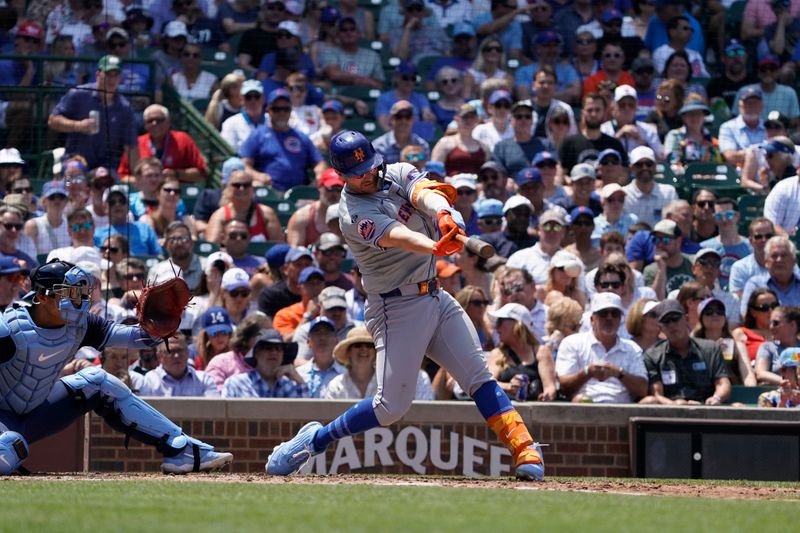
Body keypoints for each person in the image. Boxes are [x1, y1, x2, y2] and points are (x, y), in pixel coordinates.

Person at [265, 130, 545, 481]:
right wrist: (433, 245)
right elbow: (397, 235)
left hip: (435, 295)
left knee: (478, 376)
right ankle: (315, 440)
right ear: (342, 175)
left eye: (369, 167)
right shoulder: (351, 212)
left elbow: (425, 193)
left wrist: (444, 215)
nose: (367, 175)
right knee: (390, 408)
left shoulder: (396, 171)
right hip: (395, 307)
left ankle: (525, 450)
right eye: (357, 172)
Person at [0, 260, 232, 475]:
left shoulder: (81, 325)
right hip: (4, 419)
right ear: (42, 296)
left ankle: (183, 450)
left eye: (79, 293)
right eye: (68, 293)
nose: (77, 300)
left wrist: (155, 327)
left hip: (38, 411)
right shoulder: (9, 329)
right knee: (7, 448)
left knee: (97, 380)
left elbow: (134, 338)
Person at [48, 55, 139, 171]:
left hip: (106, 168)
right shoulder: (77, 95)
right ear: (98, 75)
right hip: (74, 160)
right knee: (69, 181)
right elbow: (53, 120)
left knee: (106, 181)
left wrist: (138, 175)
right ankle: (66, 186)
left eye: (115, 75)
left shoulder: (125, 108)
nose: (111, 80)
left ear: (120, 78)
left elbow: (131, 146)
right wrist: (78, 126)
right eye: (107, 75)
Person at [556, 293, 648, 403]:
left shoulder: (632, 348)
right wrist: (587, 372)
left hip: (623, 411)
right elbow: (564, 386)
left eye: (615, 314)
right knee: (580, 400)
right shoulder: (572, 343)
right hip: (583, 409)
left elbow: (643, 389)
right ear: (592, 319)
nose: (609, 318)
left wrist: (619, 373)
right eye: (603, 313)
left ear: (620, 320)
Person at [640, 299, 731, 406]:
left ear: (686, 319)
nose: (672, 325)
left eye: (675, 319)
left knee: (737, 406)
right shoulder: (653, 355)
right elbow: (657, 394)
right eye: (666, 321)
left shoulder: (711, 349)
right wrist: (677, 405)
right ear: (660, 327)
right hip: (670, 411)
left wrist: (716, 398)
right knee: (649, 401)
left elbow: (722, 383)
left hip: (706, 407)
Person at [240, 88, 327, 191]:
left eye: (286, 109)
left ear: (291, 111)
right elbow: (244, 164)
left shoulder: (301, 137)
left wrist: (319, 174)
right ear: (269, 110)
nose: (282, 113)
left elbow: (319, 162)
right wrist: (257, 176)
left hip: (298, 194)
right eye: (276, 109)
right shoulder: (258, 135)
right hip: (269, 192)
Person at [117, 104, 207, 183]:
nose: (154, 123)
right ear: (145, 125)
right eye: (150, 120)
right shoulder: (137, 143)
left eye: (159, 120)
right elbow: (122, 176)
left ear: (168, 122)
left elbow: (201, 173)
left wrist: (176, 174)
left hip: (174, 193)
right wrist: (144, 179)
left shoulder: (182, 139)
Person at [487, 303, 557, 402]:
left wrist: (547, 396)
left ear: (517, 324)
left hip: (534, 413)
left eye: (500, 321)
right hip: (505, 413)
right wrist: (510, 386)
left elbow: (550, 387)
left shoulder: (541, 352)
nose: (496, 328)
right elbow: (488, 384)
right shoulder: (497, 353)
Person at [204, 169, 284, 244]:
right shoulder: (219, 216)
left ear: (252, 188)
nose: (241, 189)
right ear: (228, 188)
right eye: (237, 185)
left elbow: (278, 245)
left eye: (246, 185)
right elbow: (212, 247)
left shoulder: (266, 214)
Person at [222, 329, 307, 398]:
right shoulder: (236, 384)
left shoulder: (290, 385)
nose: (274, 352)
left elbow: (307, 414)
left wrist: (298, 379)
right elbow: (223, 417)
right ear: (256, 354)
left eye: (278, 349)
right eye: (268, 348)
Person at [692, 297, 756, 387]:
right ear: (701, 318)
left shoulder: (737, 346)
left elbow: (748, 375)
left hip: (733, 393)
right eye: (709, 312)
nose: (715, 315)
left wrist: (750, 391)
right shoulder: (694, 345)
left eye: (720, 311)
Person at [558, 93, 627, 174]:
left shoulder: (614, 144)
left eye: (597, 110)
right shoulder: (569, 143)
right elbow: (561, 174)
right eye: (589, 110)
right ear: (583, 112)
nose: (593, 114)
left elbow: (624, 175)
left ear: (604, 112)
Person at [137, 333, 219, 397]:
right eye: (170, 351)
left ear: (187, 352)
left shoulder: (204, 380)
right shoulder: (149, 381)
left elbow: (216, 413)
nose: (176, 356)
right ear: (159, 356)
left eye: (180, 350)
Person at [204, 312, 268, 390]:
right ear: (247, 338)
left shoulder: (275, 363)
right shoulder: (221, 363)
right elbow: (215, 397)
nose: (270, 341)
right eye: (264, 336)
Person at [93, 185, 162, 257]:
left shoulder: (145, 229)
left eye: (122, 201)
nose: (117, 204)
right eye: (112, 202)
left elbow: (159, 256)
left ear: (129, 205)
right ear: (105, 207)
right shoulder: (97, 234)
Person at [740, 237, 800, 317]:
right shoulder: (755, 285)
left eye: (784, 255)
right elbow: (745, 315)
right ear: (766, 262)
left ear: (794, 261)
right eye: (774, 256)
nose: (779, 260)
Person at [506, 208, 567, 287]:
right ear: (539, 229)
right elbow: (509, 288)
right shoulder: (519, 259)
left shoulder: (571, 259)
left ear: (563, 232)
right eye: (547, 226)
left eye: (557, 227)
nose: (552, 231)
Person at [600, 85, 664, 158]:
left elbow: (660, 159)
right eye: (622, 105)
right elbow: (598, 154)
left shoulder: (648, 130)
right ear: (614, 106)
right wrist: (617, 137)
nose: (627, 108)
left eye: (631, 105)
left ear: (636, 107)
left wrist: (640, 141)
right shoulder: (604, 129)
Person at [492, 100, 553, 176]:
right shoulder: (501, 147)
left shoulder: (546, 145)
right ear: (511, 121)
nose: (523, 120)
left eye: (527, 117)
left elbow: (556, 166)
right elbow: (496, 173)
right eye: (519, 117)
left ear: (532, 121)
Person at [622, 146, 678, 227]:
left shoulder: (669, 192)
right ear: (631, 168)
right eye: (639, 164)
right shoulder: (623, 194)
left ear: (655, 166)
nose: (644, 168)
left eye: (649, 164)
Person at [664, 98, 723, 170]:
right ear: (684, 117)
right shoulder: (674, 136)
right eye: (690, 114)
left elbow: (717, 164)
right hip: (681, 177)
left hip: (708, 178)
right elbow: (671, 161)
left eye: (698, 114)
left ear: (704, 116)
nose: (695, 117)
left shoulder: (712, 141)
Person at [295, 317, 346, 398]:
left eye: (327, 333)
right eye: (317, 333)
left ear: (336, 341)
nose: (322, 338)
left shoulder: (345, 375)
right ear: (308, 342)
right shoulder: (298, 374)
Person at [431, 104, 489, 176]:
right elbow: (435, 173)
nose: (468, 121)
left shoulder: (484, 147)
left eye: (472, 117)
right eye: (465, 117)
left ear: (477, 120)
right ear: (456, 119)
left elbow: (488, 174)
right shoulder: (444, 143)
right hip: (452, 185)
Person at [643, 219, 693, 300]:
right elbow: (654, 302)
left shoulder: (694, 263)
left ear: (678, 241)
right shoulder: (650, 271)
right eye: (656, 240)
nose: (660, 244)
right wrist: (661, 269)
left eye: (665, 240)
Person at [717, 86, 767, 166]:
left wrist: (743, 153)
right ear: (739, 105)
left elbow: (777, 153)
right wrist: (763, 153)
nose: (752, 106)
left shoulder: (770, 127)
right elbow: (730, 156)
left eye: (755, 102)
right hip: (737, 175)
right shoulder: (727, 127)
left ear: (762, 105)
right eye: (748, 103)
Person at [730, 218, 777, 300]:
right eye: (758, 236)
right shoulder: (739, 267)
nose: (764, 240)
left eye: (768, 236)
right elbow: (737, 300)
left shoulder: (788, 266)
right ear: (751, 241)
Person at [372, 100, 431, 166]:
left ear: (413, 119)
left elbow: (425, 171)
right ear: (391, 119)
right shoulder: (378, 146)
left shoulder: (422, 145)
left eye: (407, 116)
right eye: (399, 116)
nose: (403, 120)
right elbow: (377, 173)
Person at [755, 305, 800, 386]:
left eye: (776, 323)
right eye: (770, 323)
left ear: (792, 325)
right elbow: (761, 373)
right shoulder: (767, 347)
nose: (771, 327)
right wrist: (787, 383)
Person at [733, 288, 779, 365]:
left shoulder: (788, 333)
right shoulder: (741, 333)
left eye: (774, 306)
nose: (771, 311)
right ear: (753, 312)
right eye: (764, 308)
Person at [23, 181, 70, 256]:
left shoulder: (71, 224)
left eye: (61, 197)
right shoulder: (33, 226)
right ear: (44, 201)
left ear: (66, 201)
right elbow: (27, 256)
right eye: (52, 197)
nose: (57, 200)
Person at [220, 79, 266, 153]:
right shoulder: (230, 123)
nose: (253, 101)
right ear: (242, 99)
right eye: (248, 97)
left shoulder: (272, 120)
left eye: (256, 96)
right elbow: (228, 152)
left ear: (263, 99)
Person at [764, 163, 800, 236]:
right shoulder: (783, 188)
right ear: (798, 171)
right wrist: (789, 241)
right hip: (786, 242)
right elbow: (772, 224)